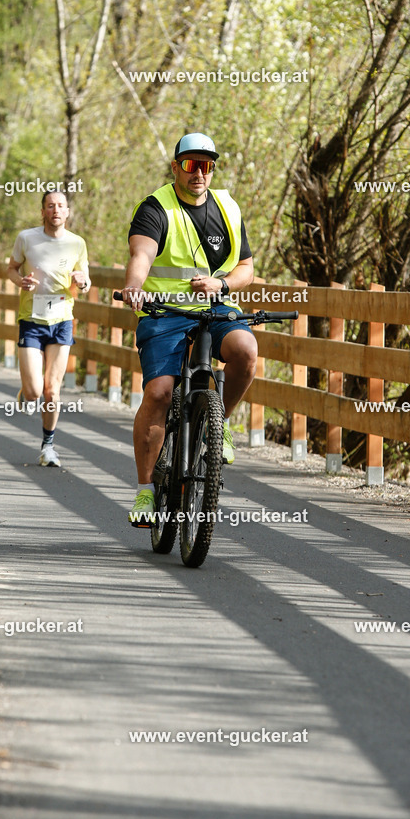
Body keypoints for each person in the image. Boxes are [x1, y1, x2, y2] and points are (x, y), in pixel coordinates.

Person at [121, 132, 257, 526]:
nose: (199, 172)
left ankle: (218, 426)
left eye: (207, 165)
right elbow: (141, 254)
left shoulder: (228, 207)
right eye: (190, 164)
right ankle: (146, 491)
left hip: (216, 309)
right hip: (164, 312)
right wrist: (134, 287)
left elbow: (246, 267)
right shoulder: (155, 207)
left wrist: (223, 284)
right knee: (161, 392)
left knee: (246, 352)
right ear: (176, 166)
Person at [7, 190, 90, 467]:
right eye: (50, 206)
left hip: (62, 320)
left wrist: (82, 281)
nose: (56, 210)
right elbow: (11, 269)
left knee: (52, 390)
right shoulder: (26, 238)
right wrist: (20, 282)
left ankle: (48, 446)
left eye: (61, 206)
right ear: (42, 211)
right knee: (34, 392)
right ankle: (25, 392)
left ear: (67, 212)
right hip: (31, 320)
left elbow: (85, 280)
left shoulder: (77, 243)